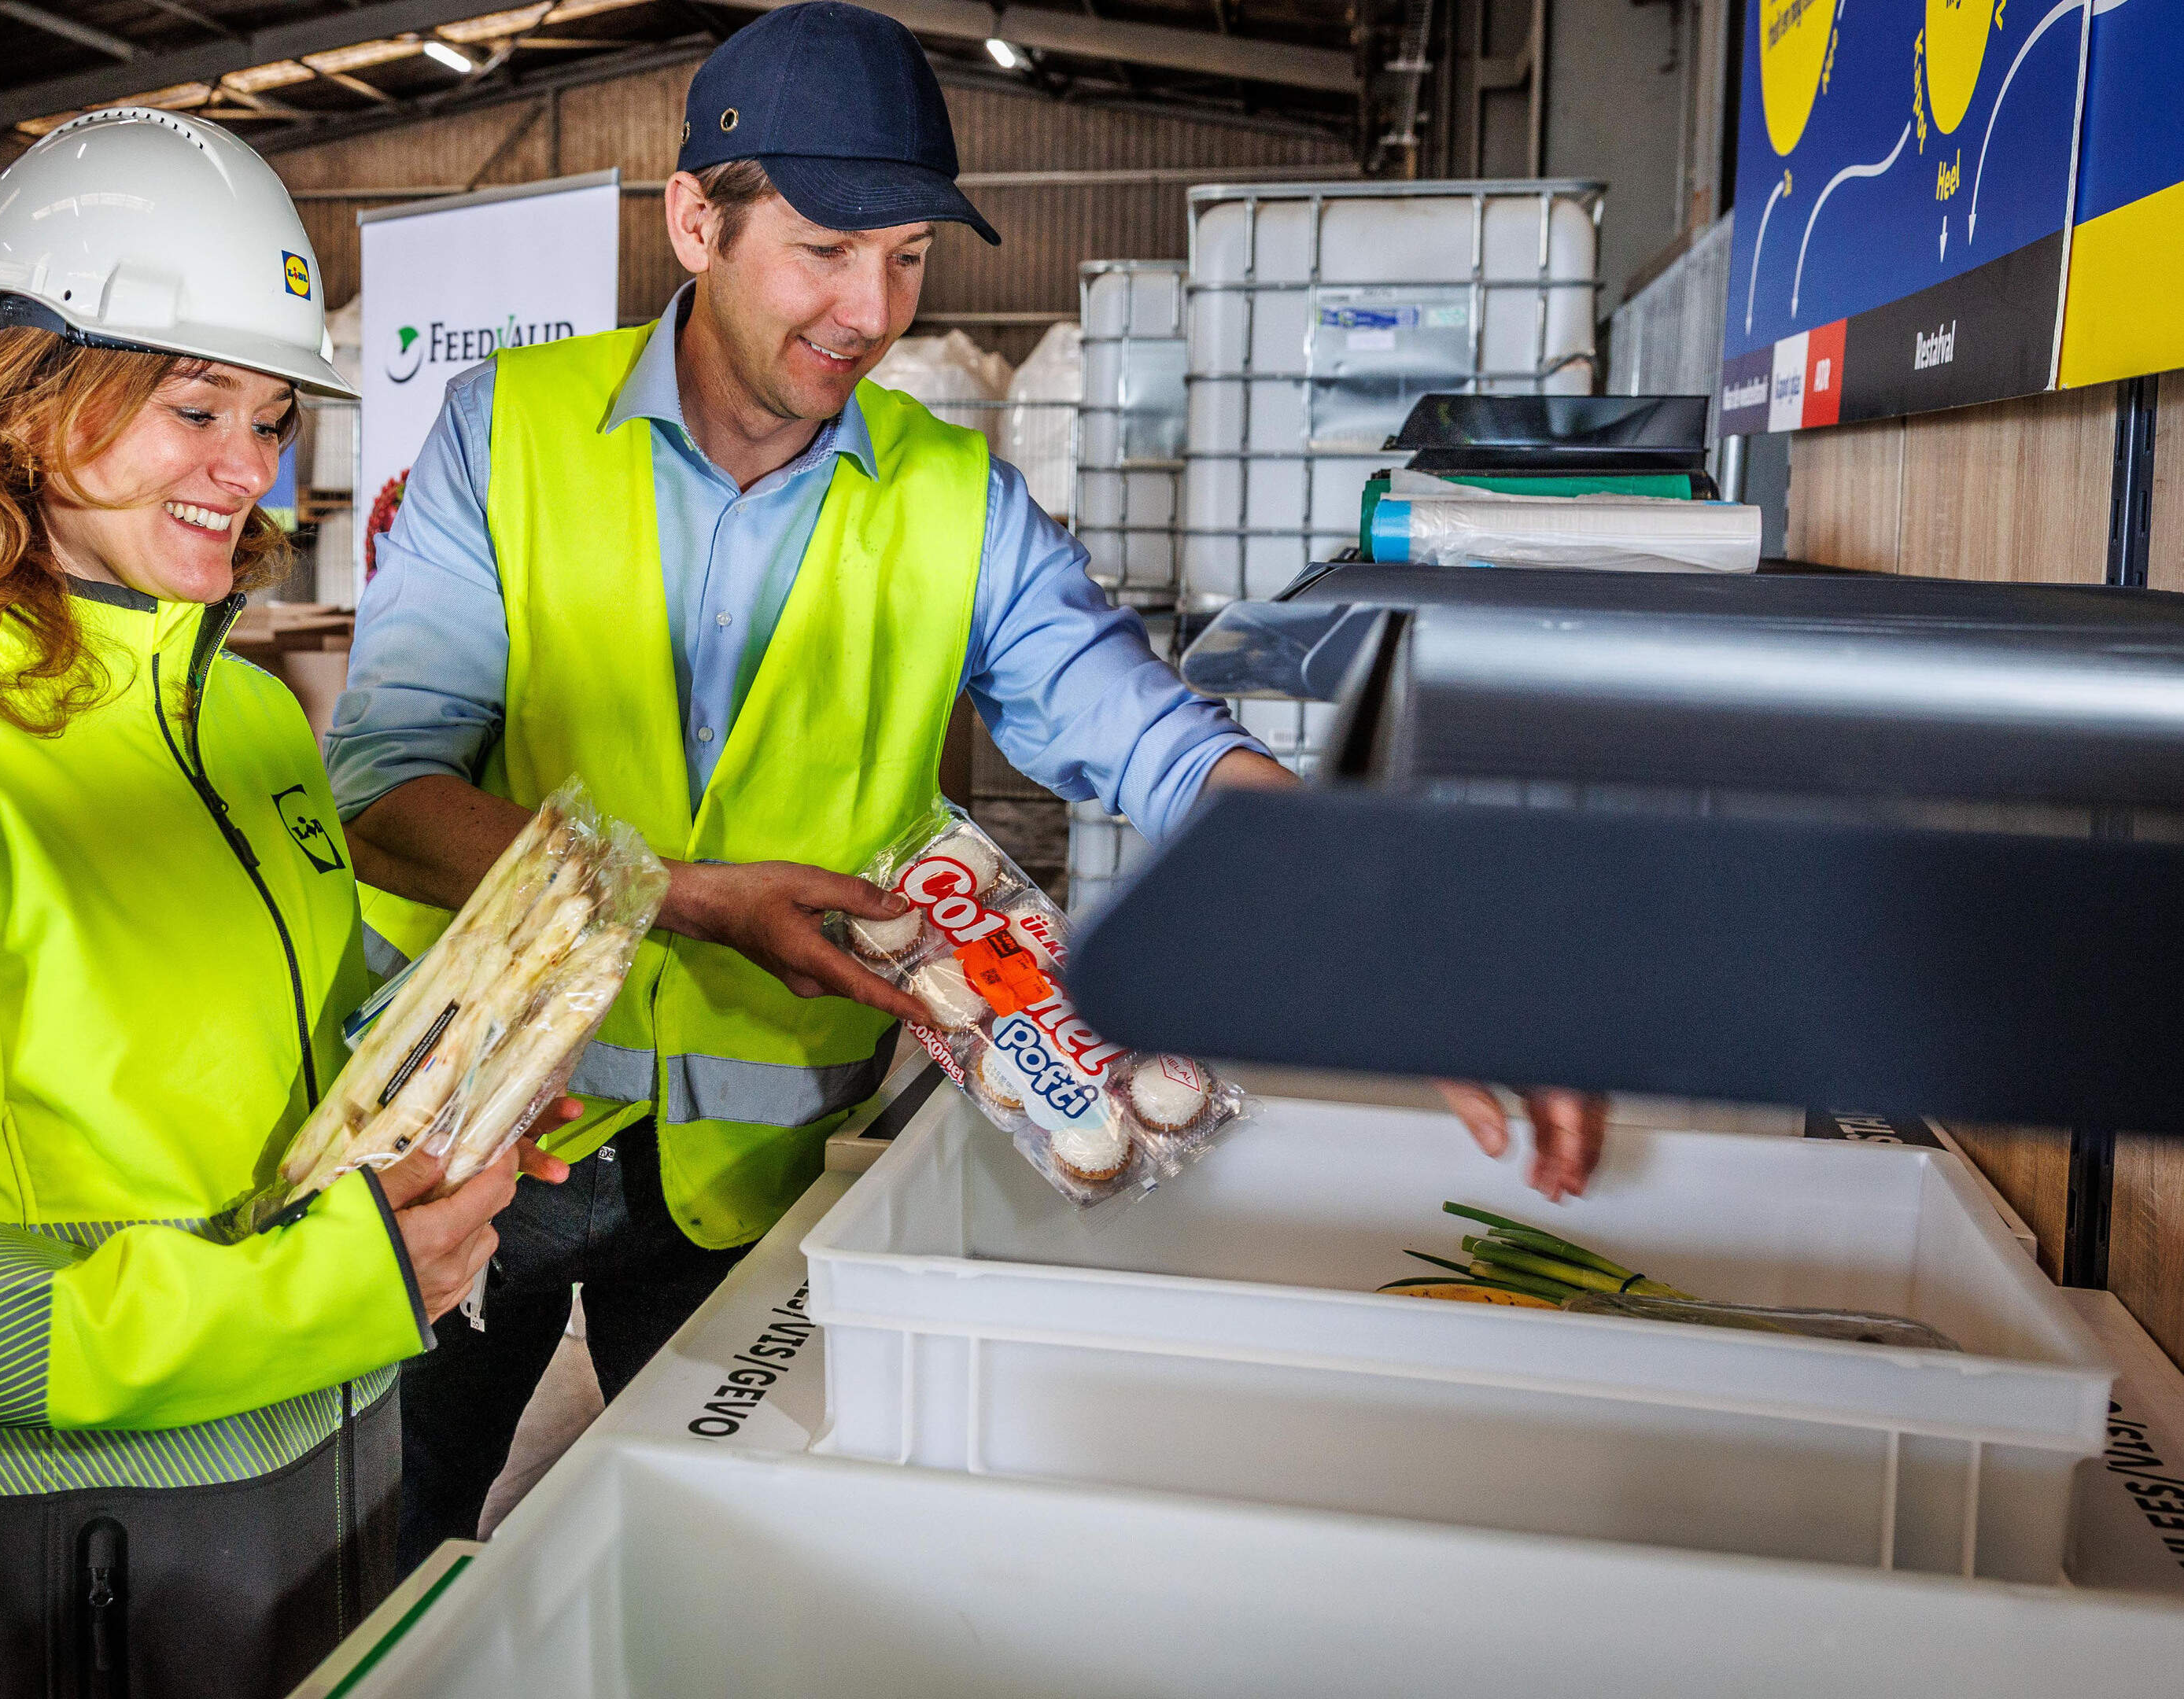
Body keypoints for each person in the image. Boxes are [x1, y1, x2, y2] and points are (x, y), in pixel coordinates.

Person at [329, 2, 1609, 1566]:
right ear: (692, 221)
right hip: (474, 1127)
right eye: (821, 249)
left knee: (691, 1562)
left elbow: (1151, 738)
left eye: (908, 255)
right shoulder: (506, 433)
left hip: (758, 1170)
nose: (867, 308)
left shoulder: (953, 503)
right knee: (382, 1566)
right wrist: (685, 899)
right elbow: (383, 790)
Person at [0, 109, 566, 1698]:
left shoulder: (242, 718)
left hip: (306, 1457)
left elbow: (294, 1028)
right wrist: (334, 1287)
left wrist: (451, 1079)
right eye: (194, 406)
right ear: (21, 411)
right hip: (39, 1549)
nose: (248, 469)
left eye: (272, 415)